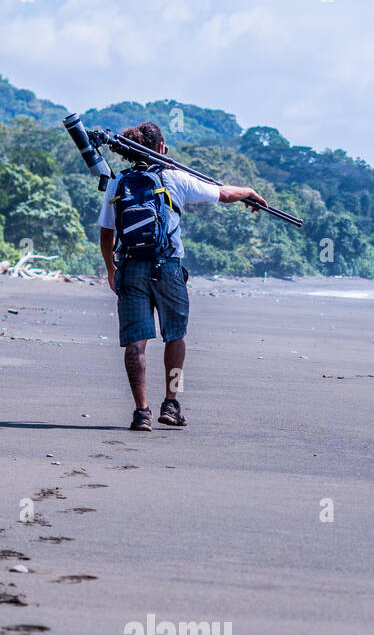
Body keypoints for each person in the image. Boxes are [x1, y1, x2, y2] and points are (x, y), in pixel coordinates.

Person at [98, 121, 268, 430]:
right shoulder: (176, 178)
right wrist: (249, 192)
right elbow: (225, 193)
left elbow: (106, 232)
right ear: (161, 148)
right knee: (175, 336)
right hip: (168, 268)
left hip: (131, 268)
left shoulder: (117, 182)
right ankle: (171, 404)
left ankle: (142, 412)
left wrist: (111, 269)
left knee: (136, 343)